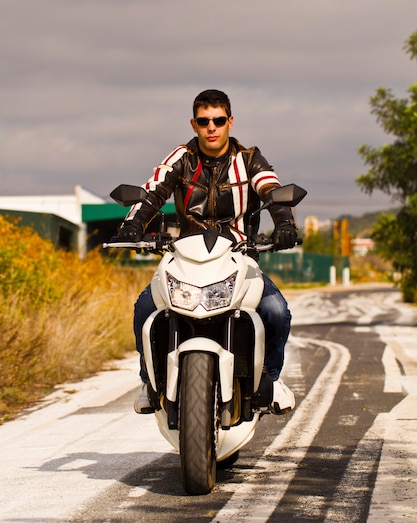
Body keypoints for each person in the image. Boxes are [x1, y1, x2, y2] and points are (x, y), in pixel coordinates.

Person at [114, 89, 298, 415]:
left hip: (239, 254)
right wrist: (133, 224)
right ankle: (148, 381)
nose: (211, 127)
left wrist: (285, 225)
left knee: (275, 311)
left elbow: (271, 189)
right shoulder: (181, 157)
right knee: (145, 308)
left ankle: (271, 378)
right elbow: (154, 191)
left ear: (230, 121)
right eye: (204, 121)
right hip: (186, 257)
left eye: (218, 120)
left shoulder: (250, 159)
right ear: (194, 123)